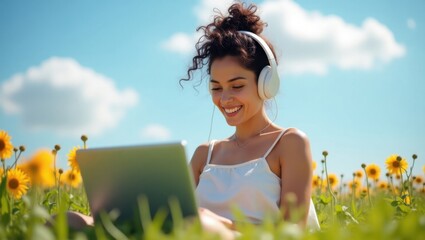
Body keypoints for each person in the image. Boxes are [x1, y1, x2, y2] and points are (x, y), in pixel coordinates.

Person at [180, 1, 320, 234]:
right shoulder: (204, 155)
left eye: (236, 86)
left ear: (267, 84)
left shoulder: (289, 143)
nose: (225, 99)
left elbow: (293, 231)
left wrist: (223, 225)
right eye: (216, 88)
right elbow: (172, 221)